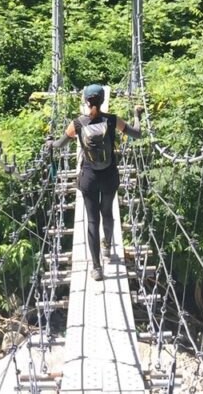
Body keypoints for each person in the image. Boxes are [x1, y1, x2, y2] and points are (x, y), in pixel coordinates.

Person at [51, 84, 141, 281]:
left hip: (88, 178)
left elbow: (59, 144)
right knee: (107, 213)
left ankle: (97, 268)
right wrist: (137, 115)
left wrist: (50, 143)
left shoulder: (77, 123)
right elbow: (137, 133)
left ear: (85, 100)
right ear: (102, 100)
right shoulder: (112, 120)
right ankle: (107, 246)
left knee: (93, 221)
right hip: (109, 176)